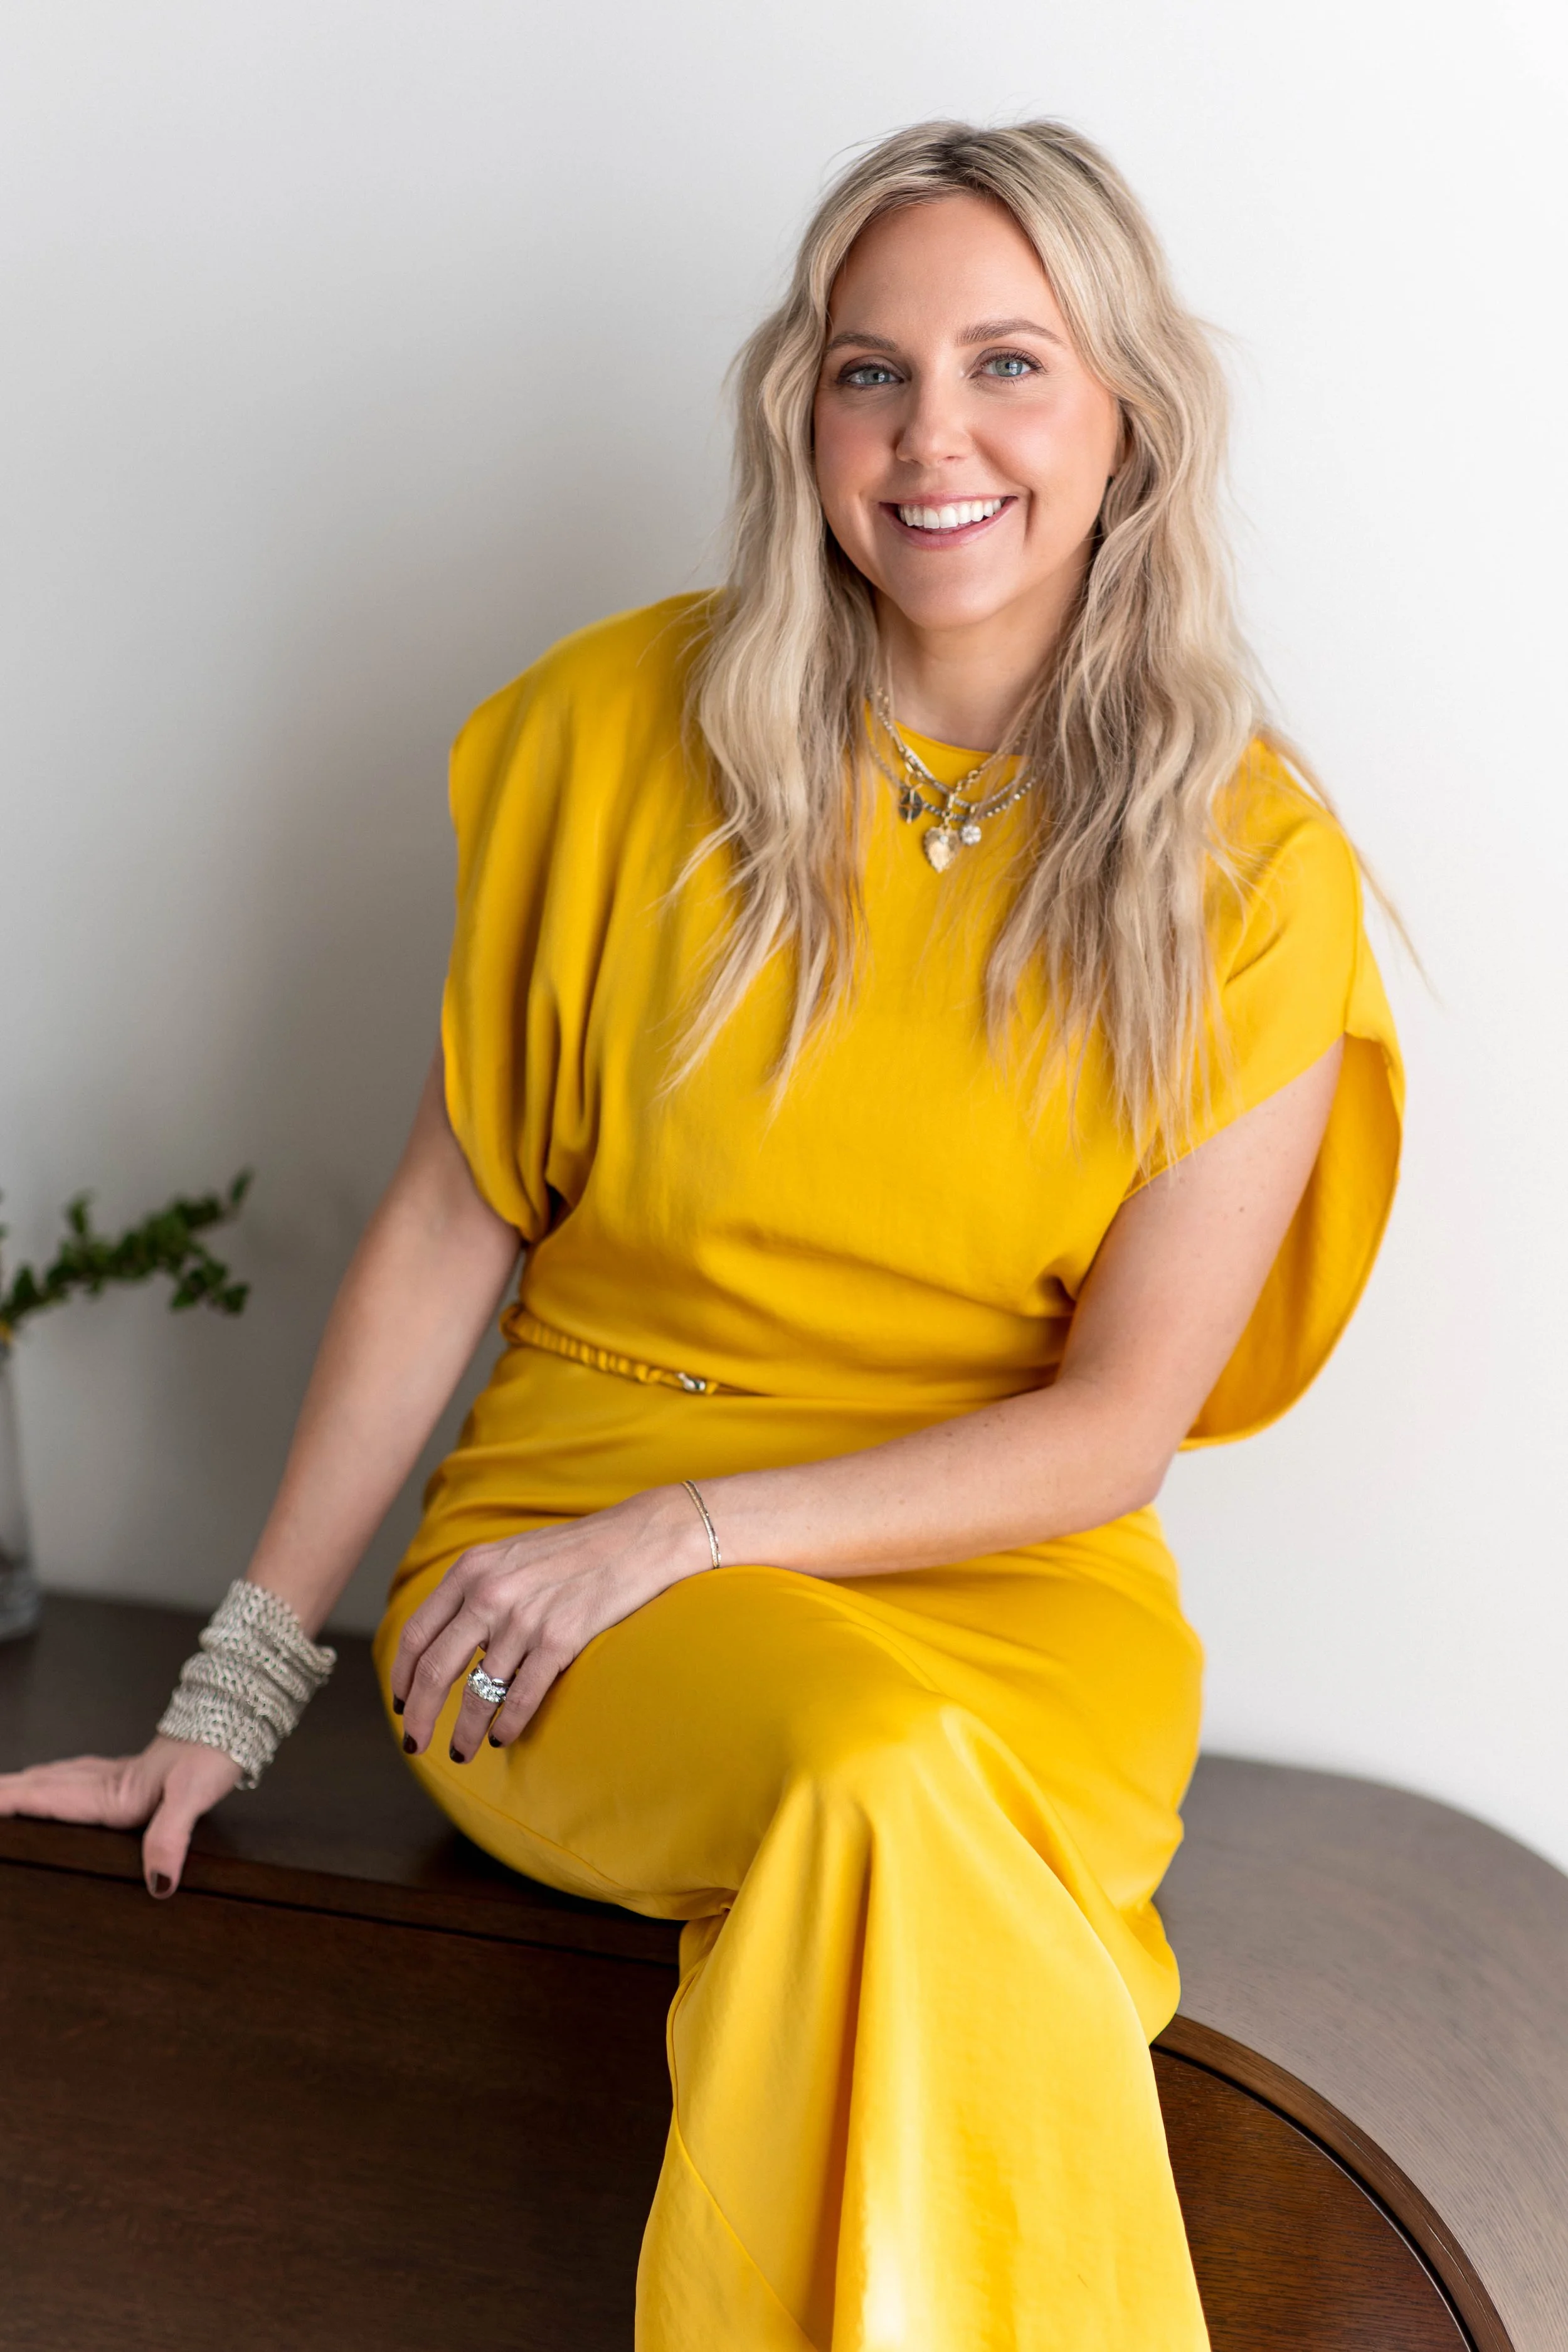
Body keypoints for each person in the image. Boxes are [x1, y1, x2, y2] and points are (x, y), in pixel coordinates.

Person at [0, 119, 1401, 2350]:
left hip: (1012, 1605)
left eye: (1006, 365)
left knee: (911, 1788)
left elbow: (1114, 1430)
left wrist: (707, 1525)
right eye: (869, 372)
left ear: (1125, 408)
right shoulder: (616, 737)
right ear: (801, 413)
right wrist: (235, 1696)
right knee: (879, 1788)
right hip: (559, 1580)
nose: (931, 436)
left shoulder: (1247, 871)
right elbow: (447, 1231)